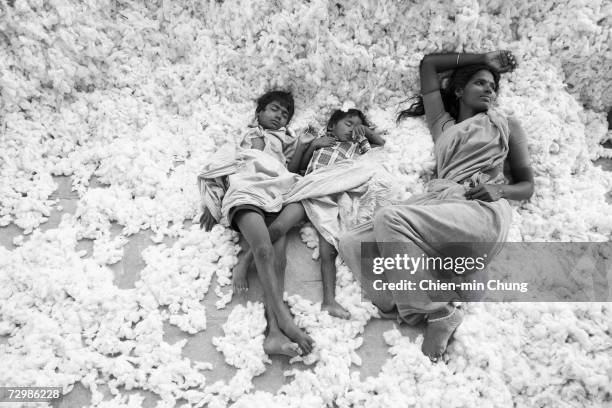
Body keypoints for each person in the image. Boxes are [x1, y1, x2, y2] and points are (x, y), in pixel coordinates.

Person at [338, 50, 534, 362]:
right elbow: (428, 65)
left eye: (493, 86)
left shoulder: (506, 124)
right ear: (459, 90)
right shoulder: (442, 126)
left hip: (478, 211)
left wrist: (498, 189)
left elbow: (527, 186)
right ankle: (416, 299)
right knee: (351, 242)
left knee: (389, 218)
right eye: (480, 82)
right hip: (439, 206)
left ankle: (438, 311)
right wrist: (486, 59)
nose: (489, 90)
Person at [232, 108, 386, 320]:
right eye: (348, 124)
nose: (353, 129)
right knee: (278, 227)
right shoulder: (321, 141)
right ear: (332, 126)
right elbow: (298, 169)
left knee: (328, 251)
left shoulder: (357, 146)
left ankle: (329, 301)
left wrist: (365, 132)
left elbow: (379, 148)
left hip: (331, 195)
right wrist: (311, 145)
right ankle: (246, 261)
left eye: (357, 125)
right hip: (309, 189)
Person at [199, 90, 313, 357]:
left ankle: (274, 335)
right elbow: (222, 165)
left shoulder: (286, 140)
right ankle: (284, 320)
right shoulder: (246, 138)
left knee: (279, 260)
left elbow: (289, 169)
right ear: (259, 113)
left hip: (276, 190)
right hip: (248, 188)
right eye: (274, 109)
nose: (279, 116)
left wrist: (305, 146)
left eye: (285, 114)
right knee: (264, 249)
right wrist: (211, 203)